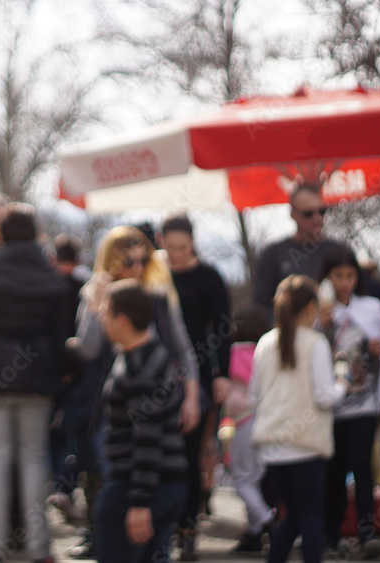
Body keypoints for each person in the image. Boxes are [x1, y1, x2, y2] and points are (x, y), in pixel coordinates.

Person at [72, 225, 200, 560]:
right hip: (109, 410)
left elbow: (184, 351)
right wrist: (96, 306)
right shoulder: (99, 299)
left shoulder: (157, 300)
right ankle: (99, 532)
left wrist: (190, 395)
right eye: (129, 260)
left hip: (145, 427)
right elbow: (86, 350)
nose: (138, 267)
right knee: (108, 473)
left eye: (144, 259)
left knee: (128, 514)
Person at [0, 203, 70, 563]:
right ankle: (41, 549)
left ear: (3, 234)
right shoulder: (50, 277)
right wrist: (60, 380)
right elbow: (61, 337)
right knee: (36, 460)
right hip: (38, 381)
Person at [250, 275, 346, 563]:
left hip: (272, 447)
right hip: (305, 445)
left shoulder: (265, 343)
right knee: (311, 516)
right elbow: (325, 396)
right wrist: (343, 380)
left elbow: (254, 396)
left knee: (292, 518)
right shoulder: (315, 344)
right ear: (310, 308)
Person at [94, 280, 188, 563]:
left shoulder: (139, 368)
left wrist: (139, 503)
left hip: (140, 486)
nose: (101, 319)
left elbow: (147, 437)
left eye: (105, 313)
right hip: (161, 483)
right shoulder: (148, 354)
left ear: (121, 320)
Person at [158, 214, 231, 560]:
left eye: (182, 247)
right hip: (157, 378)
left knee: (190, 457)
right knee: (161, 457)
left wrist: (222, 374)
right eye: (169, 247)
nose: (176, 254)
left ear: (192, 243)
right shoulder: (157, 275)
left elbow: (223, 328)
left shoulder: (209, 277)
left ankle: (187, 532)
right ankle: (163, 529)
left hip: (197, 378)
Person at [317, 245, 380, 559]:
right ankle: (330, 534)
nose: (344, 281)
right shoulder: (320, 310)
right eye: (338, 276)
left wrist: (375, 356)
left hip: (365, 402)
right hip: (330, 405)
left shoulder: (372, 307)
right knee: (333, 470)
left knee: (362, 466)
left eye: (349, 275)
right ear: (327, 278)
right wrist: (322, 319)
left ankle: (366, 531)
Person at [223, 302, 276, 553]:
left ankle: (267, 521)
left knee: (242, 480)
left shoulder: (232, 354)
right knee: (256, 479)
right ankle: (254, 533)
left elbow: (226, 393)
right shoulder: (269, 352)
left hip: (244, 422)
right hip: (268, 422)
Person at [252, 183, 344, 316]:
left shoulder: (338, 251)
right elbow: (261, 305)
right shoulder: (273, 254)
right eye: (308, 213)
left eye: (322, 211)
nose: (317, 217)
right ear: (293, 214)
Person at [47, 234, 89, 523]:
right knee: (74, 434)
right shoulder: (84, 287)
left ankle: (60, 485)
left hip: (56, 372)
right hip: (80, 371)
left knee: (56, 435)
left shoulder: (51, 286)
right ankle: (66, 486)